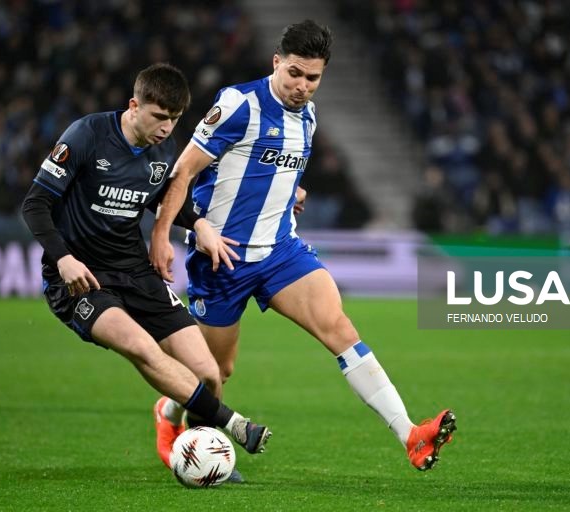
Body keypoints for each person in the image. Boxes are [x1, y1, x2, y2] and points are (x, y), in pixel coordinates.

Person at [149, 20, 457, 477]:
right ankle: (171, 419)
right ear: (277, 62)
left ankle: (410, 434)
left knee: (340, 328)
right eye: (294, 73)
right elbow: (182, 173)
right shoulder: (239, 104)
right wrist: (170, 234)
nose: (301, 86)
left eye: (312, 78)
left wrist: (291, 193)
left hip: (280, 252)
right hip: (223, 258)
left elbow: (274, 170)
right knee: (215, 373)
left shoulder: (308, 118)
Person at [21, 63, 271, 467]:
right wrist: (63, 258)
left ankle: (199, 454)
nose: (166, 128)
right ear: (134, 105)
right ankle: (234, 425)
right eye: (158, 117)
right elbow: (34, 204)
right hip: (83, 279)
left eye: (173, 120)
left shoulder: (163, 150)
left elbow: (159, 197)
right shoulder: (86, 135)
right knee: (140, 347)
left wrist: (198, 223)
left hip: (136, 272)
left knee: (209, 372)